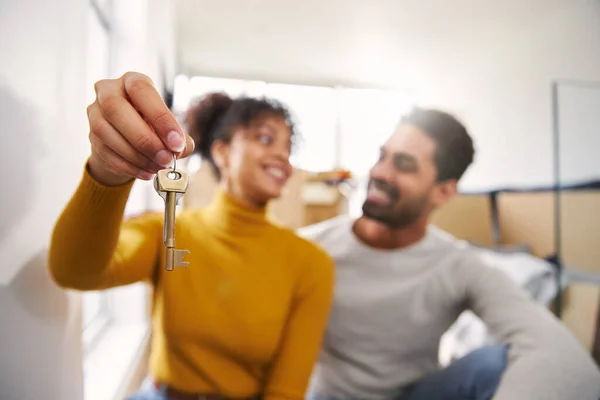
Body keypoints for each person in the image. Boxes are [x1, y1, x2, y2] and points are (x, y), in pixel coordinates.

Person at [48, 72, 335, 400]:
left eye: (288, 148)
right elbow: (74, 270)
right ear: (222, 152)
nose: (283, 158)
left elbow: (286, 391)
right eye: (266, 139)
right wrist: (108, 170)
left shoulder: (312, 264)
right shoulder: (165, 231)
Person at [299, 108, 600, 400]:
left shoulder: (457, 265)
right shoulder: (313, 246)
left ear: (443, 192)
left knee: (493, 364)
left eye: (403, 164)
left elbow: (561, 354)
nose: (379, 172)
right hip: (331, 395)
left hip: (416, 395)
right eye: (382, 156)